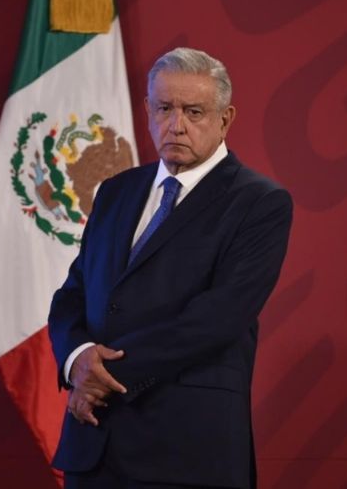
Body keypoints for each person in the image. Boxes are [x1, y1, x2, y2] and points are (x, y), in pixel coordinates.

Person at [48, 47, 293, 488]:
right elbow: (73, 295)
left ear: (226, 118)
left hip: (187, 451)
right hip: (95, 444)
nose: (175, 124)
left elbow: (218, 318)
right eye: (164, 108)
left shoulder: (259, 203)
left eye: (194, 111)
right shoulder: (116, 191)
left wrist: (102, 378)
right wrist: (77, 359)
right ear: (147, 110)